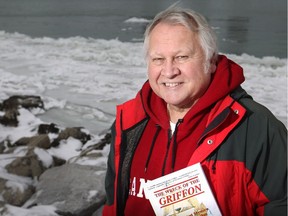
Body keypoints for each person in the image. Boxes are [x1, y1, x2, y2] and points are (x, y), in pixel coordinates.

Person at [102, 6, 287, 216]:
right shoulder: (129, 122)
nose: (169, 71)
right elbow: (113, 202)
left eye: (182, 57)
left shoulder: (255, 127)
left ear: (210, 61)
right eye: (158, 59)